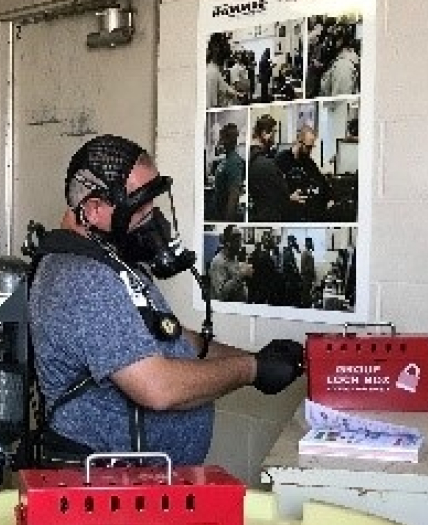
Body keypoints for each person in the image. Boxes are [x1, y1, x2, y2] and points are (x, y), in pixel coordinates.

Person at [27, 134, 305, 467]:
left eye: (153, 201)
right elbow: (157, 388)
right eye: (139, 204)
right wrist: (252, 370)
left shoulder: (115, 264)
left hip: (142, 484)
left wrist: (258, 357)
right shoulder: (81, 277)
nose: (152, 215)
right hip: (104, 489)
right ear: (94, 209)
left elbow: (170, 336)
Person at [247, 115, 302, 222]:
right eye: (274, 133)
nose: (274, 140)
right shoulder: (266, 165)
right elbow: (282, 197)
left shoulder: (252, 158)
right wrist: (291, 197)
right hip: (270, 216)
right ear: (264, 134)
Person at [276, 125, 332, 222]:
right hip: (289, 212)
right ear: (299, 142)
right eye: (308, 147)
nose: (310, 151)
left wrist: (330, 198)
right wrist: (288, 198)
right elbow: (273, 191)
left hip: (308, 212)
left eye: (312, 147)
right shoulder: (281, 160)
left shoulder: (308, 162)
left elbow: (322, 182)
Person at [208, 122, 245, 222]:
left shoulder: (234, 162)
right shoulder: (226, 159)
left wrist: (227, 221)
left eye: (221, 139)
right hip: (217, 210)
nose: (219, 142)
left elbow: (233, 196)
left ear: (226, 140)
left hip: (223, 214)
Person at [208, 225, 252, 303]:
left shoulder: (233, 258)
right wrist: (241, 275)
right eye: (237, 241)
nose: (240, 245)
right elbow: (221, 295)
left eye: (240, 241)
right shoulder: (218, 262)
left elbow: (233, 278)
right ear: (228, 243)